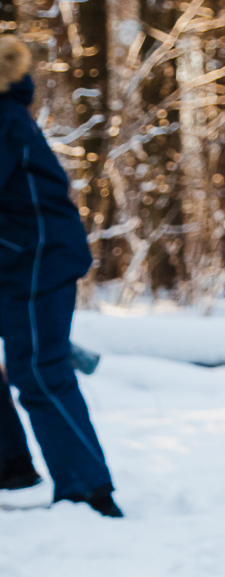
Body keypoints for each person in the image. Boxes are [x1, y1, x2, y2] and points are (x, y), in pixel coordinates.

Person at [0, 35, 120, 517]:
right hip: (19, 257)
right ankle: (10, 465)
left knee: (40, 371)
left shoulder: (5, 121)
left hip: (33, 260)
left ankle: (88, 492)